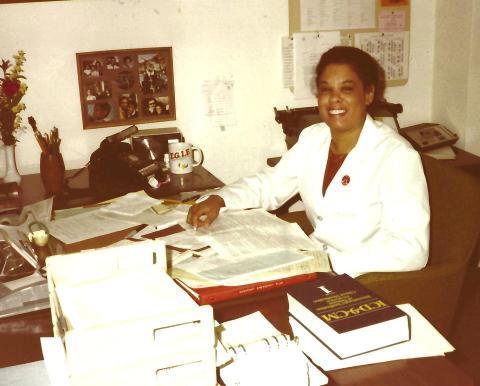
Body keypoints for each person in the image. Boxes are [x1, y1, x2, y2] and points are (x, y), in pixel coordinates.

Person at [187, 46, 430, 278]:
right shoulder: (315, 137)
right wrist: (221, 198)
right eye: (326, 90)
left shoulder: (396, 156)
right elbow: (272, 184)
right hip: (312, 261)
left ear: (367, 94)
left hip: (363, 276)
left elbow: (412, 248)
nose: (334, 100)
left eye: (346, 89)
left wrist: (333, 264)